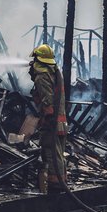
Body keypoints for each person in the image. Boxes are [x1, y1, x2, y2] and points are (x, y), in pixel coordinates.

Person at [29, 44, 68, 194]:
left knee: (51, 153)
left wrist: (49, 119)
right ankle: (61, 182)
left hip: (52, 121)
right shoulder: (55, 73)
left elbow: (47, 99)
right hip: (61, 122)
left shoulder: (42, 76)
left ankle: (55, 186)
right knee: (59, 153)